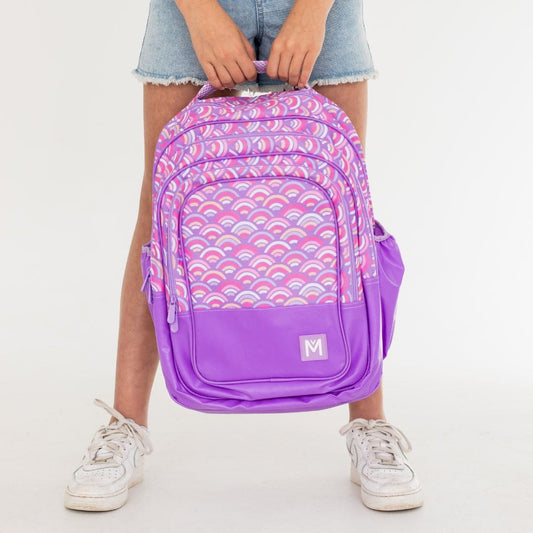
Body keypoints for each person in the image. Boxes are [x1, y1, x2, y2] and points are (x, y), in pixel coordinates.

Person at [64, 0, 423, 513]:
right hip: (190, 11)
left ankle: (369, 424)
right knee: (158, 217)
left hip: (323, 9)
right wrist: (200, 14)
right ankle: (125, 427)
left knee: (347, 218)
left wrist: (314, 11)